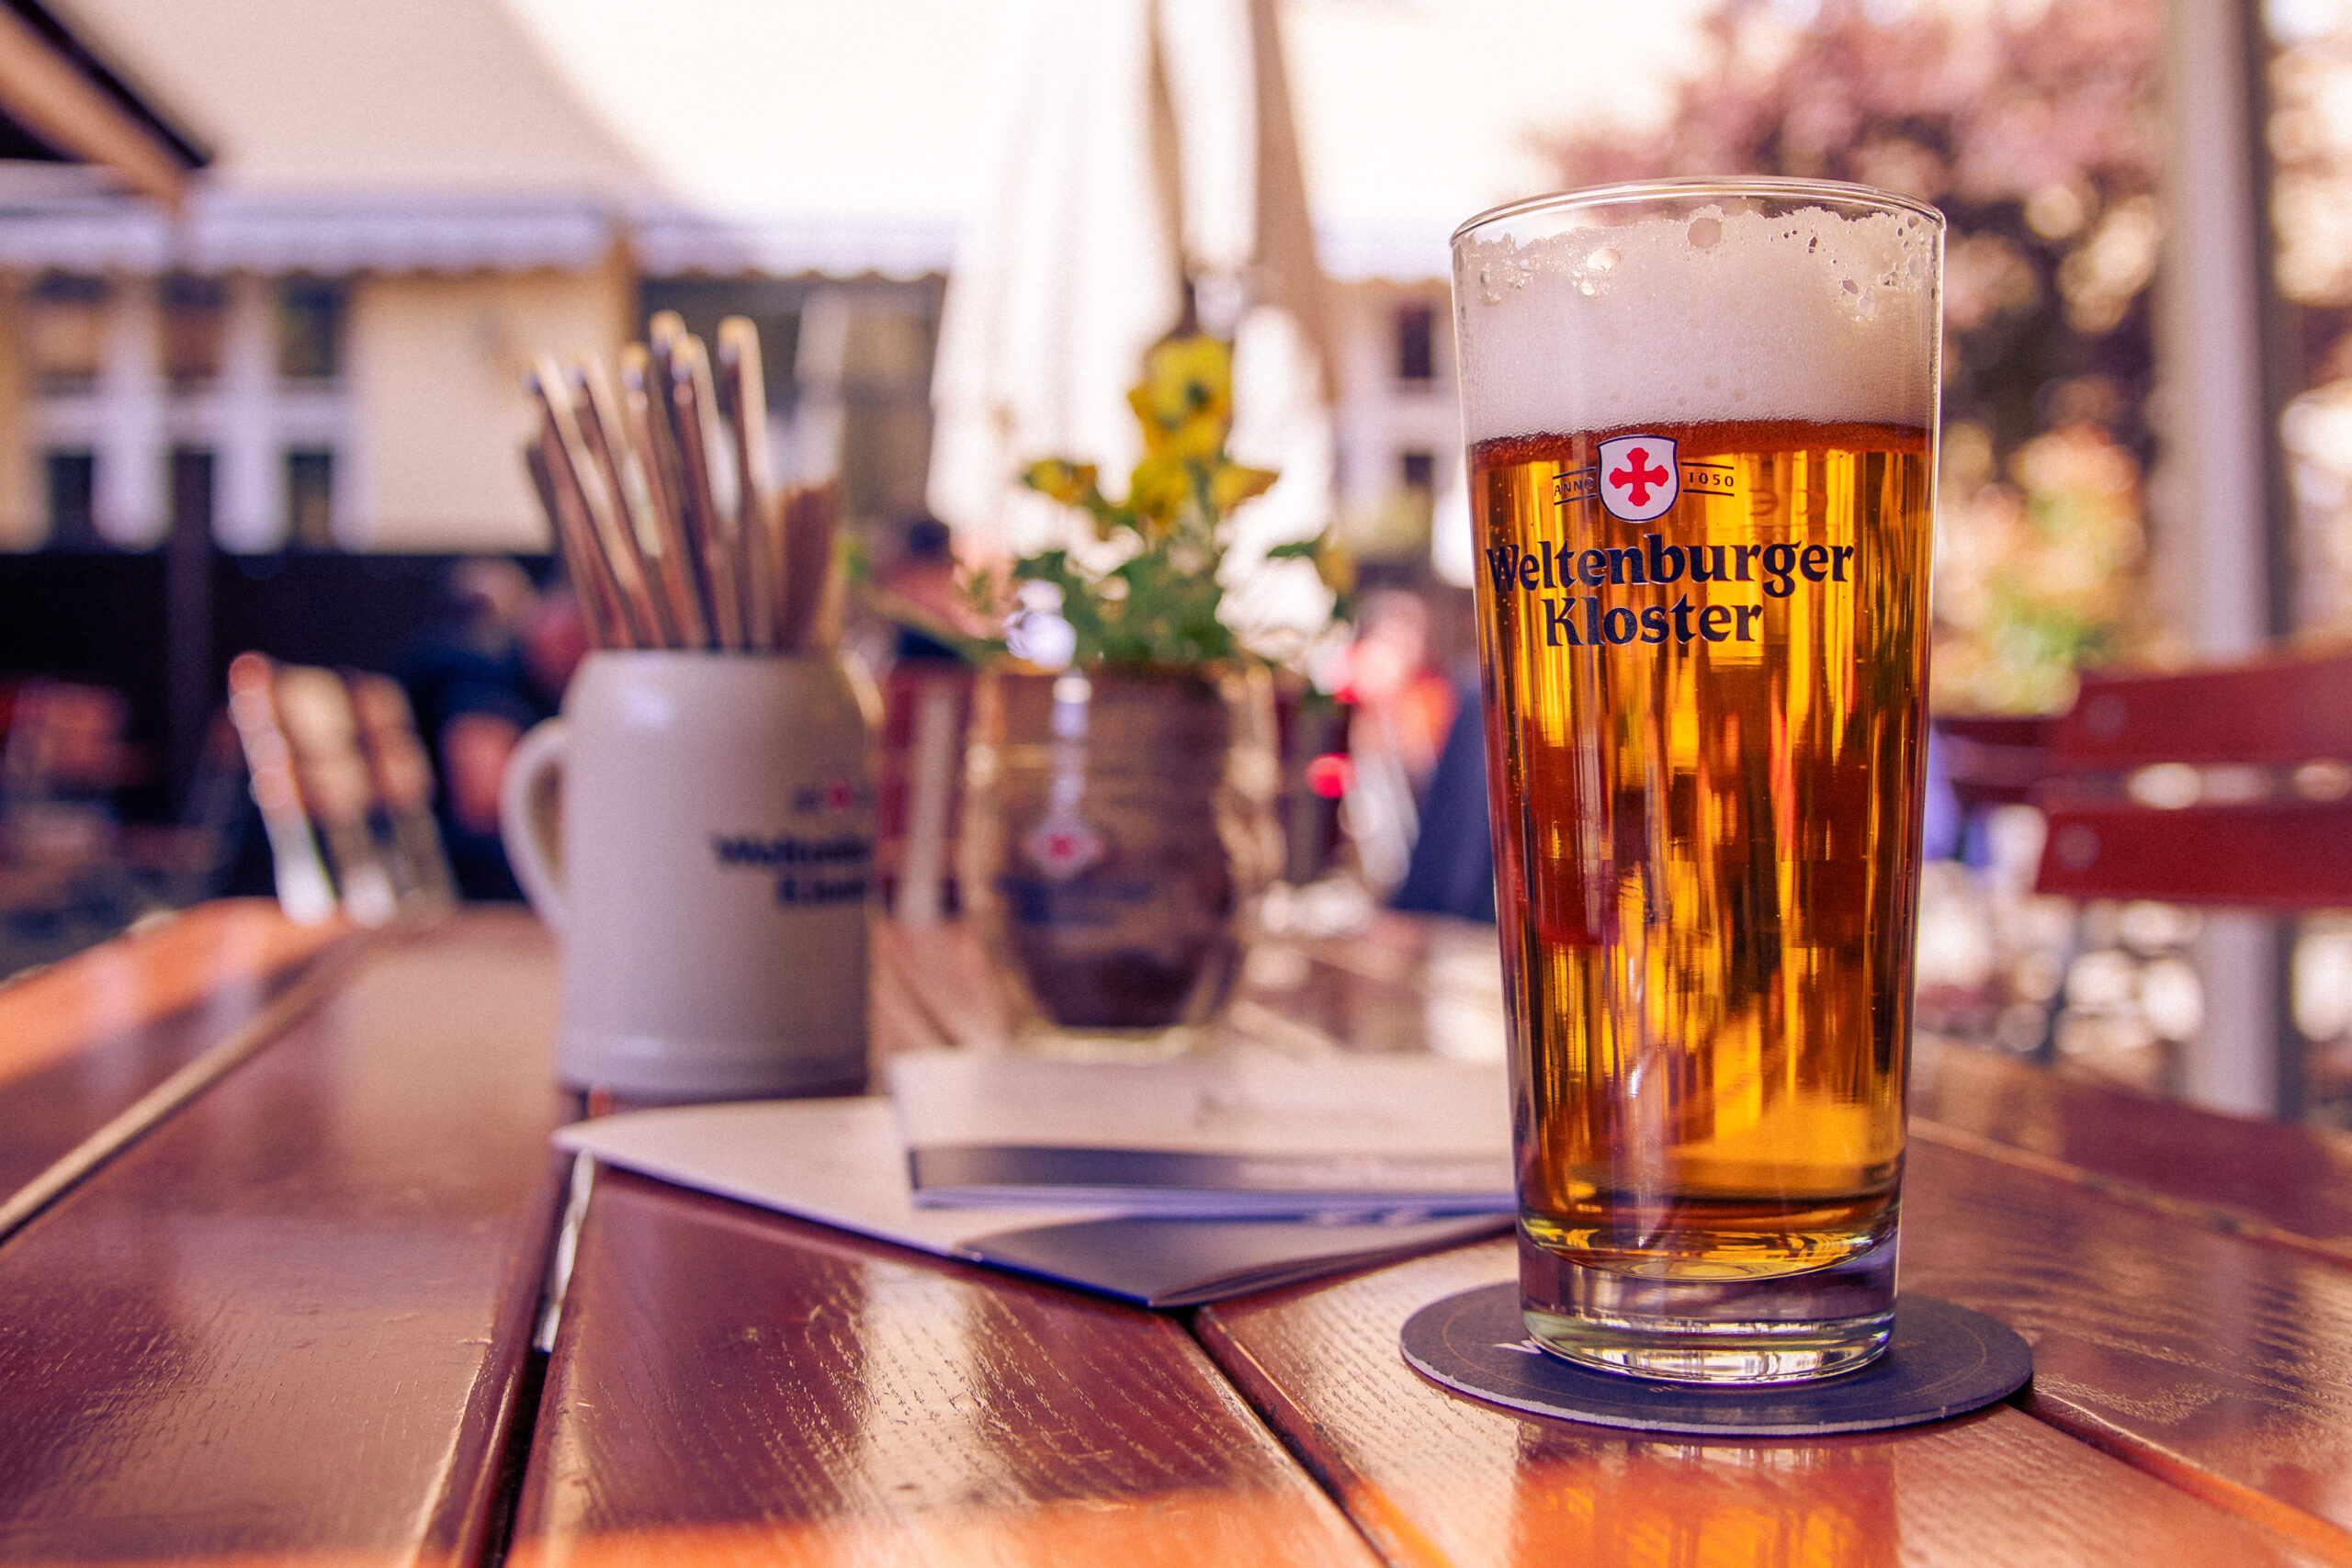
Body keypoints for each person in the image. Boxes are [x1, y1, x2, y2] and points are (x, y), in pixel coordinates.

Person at [398, 560, 584, 900]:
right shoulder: (481, 667)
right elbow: (485, 804)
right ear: (560, 619)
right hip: (468, 878)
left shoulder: (525, 677)